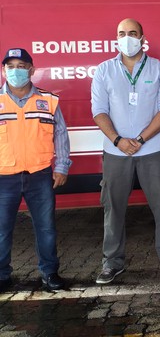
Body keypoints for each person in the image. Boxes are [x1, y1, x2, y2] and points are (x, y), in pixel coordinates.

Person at [91, 18, 160, 284]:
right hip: (116, 153)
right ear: (115, 38)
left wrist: (141, 139)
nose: (127, 38)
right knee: (113, 208)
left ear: (143, 37)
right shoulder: (104, 71)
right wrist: (118, 140)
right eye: (122, 33)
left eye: (132, 33)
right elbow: (98, 111)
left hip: (153, 151)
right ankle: (112, 263)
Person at [0, 48, 71, 292]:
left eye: (21, 66)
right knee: (1, 231)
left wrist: (61, 166)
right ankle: (1, 276)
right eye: (11, 66)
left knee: (46, 229)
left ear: (31, 70)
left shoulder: (48, 101)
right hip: (3, 178)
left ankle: (50, 273)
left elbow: (60, 134)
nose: (15, 71)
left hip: (39, 176)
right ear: (3, 70)